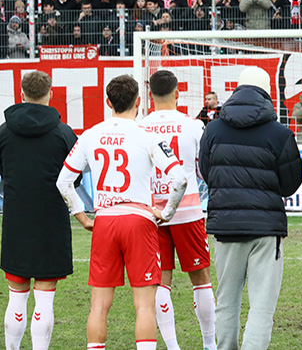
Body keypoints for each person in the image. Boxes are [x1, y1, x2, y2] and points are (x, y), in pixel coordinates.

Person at [56, 75, 188, 350]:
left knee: (99, 305)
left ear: (108, 102)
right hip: (139, 220)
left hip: (105, 219)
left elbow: (63, 181)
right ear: (138, 102)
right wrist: (166, 212)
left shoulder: (91, 134)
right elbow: (179, 179)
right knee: (144, 305)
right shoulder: (147, 135)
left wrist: (82, 216)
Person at [198, 66, 302, 350]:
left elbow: (207, 172)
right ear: (267, 92)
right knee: (262, 306)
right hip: (266, 229)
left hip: (226, 226)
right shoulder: (280, 133)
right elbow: (290, 184)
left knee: (226, 300)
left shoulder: (212, 129)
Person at [0, 71, 82, 350]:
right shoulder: (64, 133)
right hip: (51, 222)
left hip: (16, 222)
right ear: (50, 94)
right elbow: (74, 179)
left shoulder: (4, 132)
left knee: (16, 296)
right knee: (44, 297)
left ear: (21, 94)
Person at [140, 70, 215, 350]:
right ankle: (210, 344)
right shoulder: (193, 126)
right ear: (178, 93)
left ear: (150, 95)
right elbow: (203, 170)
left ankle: (173, 347)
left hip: (153, 214)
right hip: (188, 211)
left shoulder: (140, 127)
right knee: (201, 279)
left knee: (160, 283)